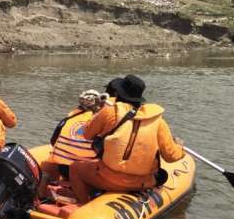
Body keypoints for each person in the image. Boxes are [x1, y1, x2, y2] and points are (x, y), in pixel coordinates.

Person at [69, 74, 184, 204]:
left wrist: (97, 112)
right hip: (143, 183)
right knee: (161, 174)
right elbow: (171, 156)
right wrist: (179, 146)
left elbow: (87, 134)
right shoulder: (159, 122)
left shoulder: (109, 111)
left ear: (117, 93)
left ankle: (83, 204)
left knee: (75, 168)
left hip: (109, 179)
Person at [38, 89, 106, 197]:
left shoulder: (69, 118)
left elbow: (53, 141)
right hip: (84, 171)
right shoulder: (100, 121)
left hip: (63, 168)